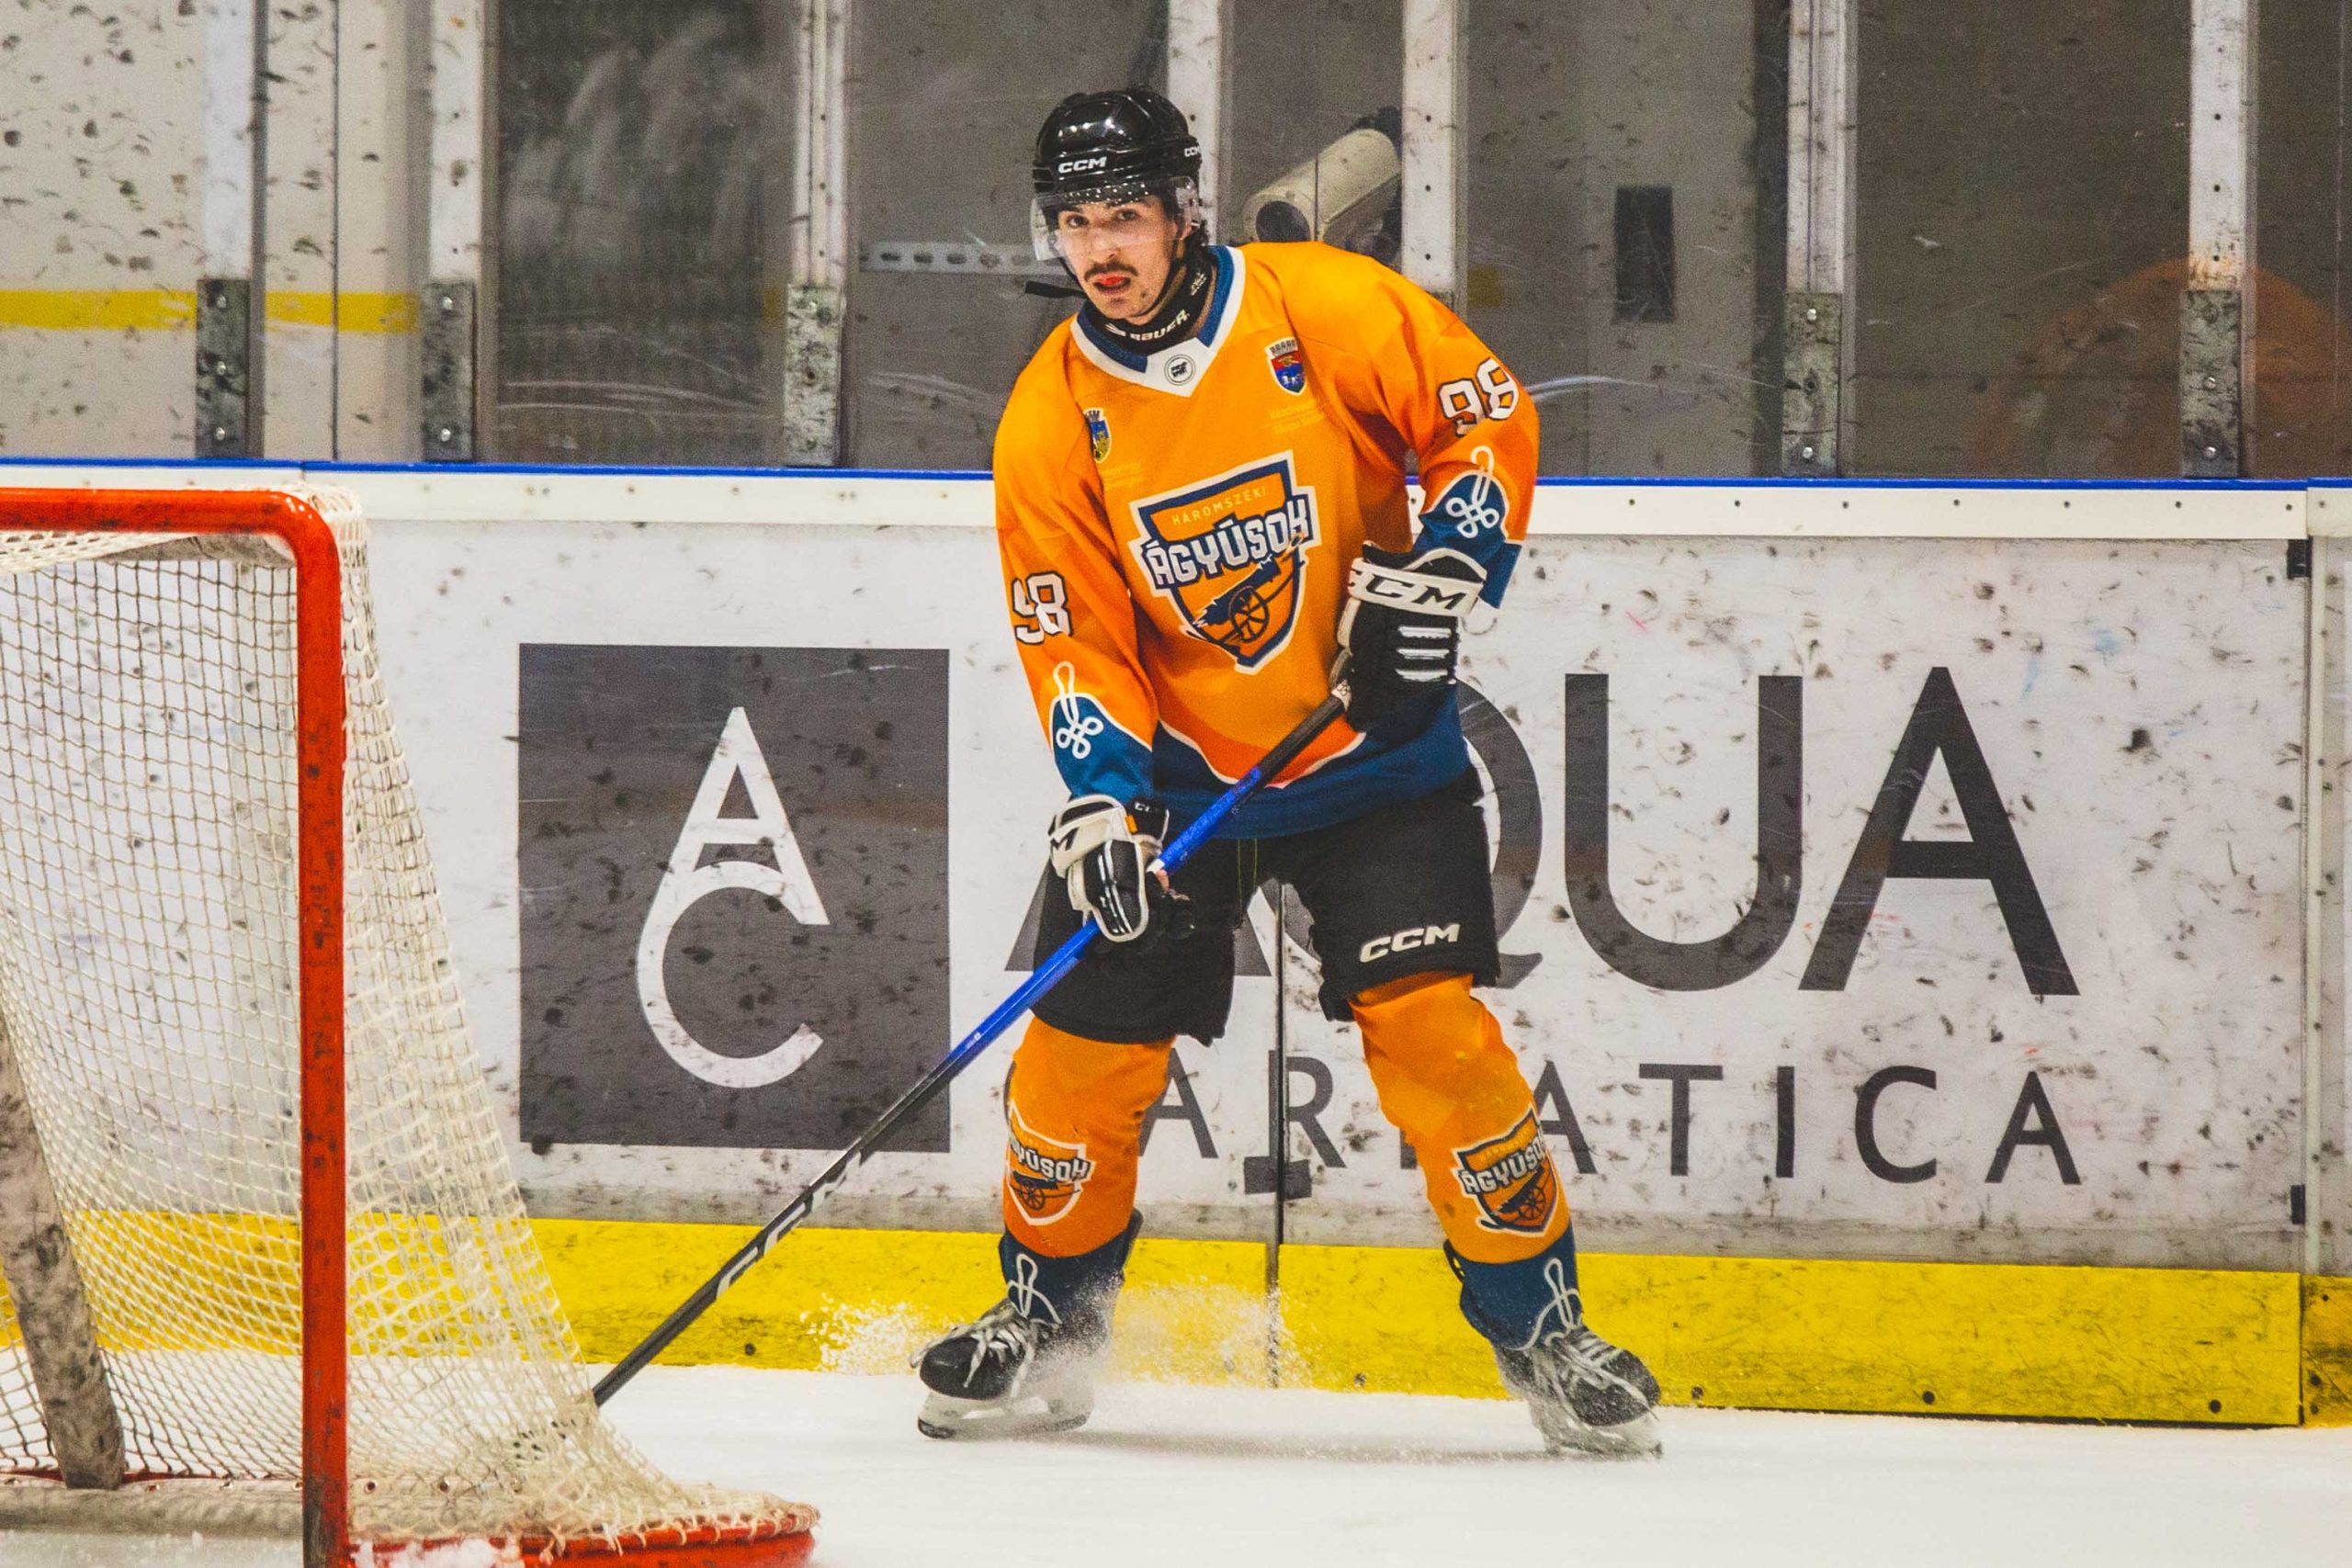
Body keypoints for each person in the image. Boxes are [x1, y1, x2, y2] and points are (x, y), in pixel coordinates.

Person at [914, 86, 1659, 1458]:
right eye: (1074, 224)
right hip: (1184, 791)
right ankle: (1048, 1320)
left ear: (1183, 208)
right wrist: (1103, 799)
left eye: (1123, 216)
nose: (1100, 250)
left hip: (1375, 765)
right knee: (1078, 1057)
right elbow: (1074, 634)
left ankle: (1545, 1330)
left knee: (1435, 1037)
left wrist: (1447, 565)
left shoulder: (1322, 304)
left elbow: (1483, 415)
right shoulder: (1049, 419)